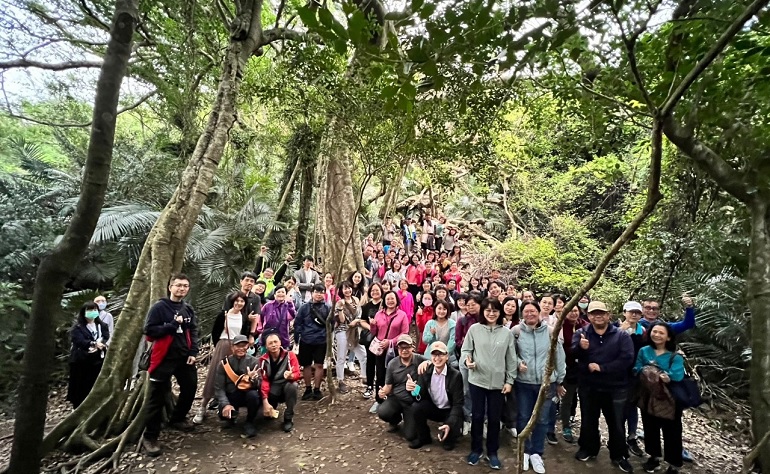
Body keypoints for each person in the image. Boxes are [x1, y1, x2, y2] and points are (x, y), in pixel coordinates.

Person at [572, 301, 635, 472]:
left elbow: (627, 359)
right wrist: (580, 348)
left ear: (608, 315)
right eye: (594, 313)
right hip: (589, 387)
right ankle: (588, 448)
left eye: (601, 313)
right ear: (589, 316)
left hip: (615, 388)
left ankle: (619, 454)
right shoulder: (581, 333)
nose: (598, 316)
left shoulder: (621, 336)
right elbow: (573, 357)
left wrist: (602, 368)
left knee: (617, 422)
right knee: (588, 420)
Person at [141, 274, 199, 457]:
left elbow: (194, 330)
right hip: (163, 359)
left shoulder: (187, 308)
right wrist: (172, 325)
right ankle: (150, 437)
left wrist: (193, 352)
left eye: (185, 286)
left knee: (190, 388)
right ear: (170, 287)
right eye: (179, 285)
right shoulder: (159, 307)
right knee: (155, 399)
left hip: (184, 357)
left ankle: (177, 418)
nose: (182, 289)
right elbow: (149, 330)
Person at [461, 298, 517, 470]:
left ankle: (492, 452)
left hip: (498, 383)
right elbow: (466, 350)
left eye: (495, 310)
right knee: (477, 416)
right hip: (477, 380)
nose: (491, 313)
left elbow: (511, 359)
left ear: (500, 313)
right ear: (482, 312)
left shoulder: (506, 333)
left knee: (494, 418)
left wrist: (509, 381)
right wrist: (467, 361)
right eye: (488, 310)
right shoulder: (474, 330)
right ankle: (475, 450)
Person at [514, 301, 566, 474]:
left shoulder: (551, 332)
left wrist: (559, 379)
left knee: (542, 419)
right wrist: (517, 363)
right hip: (523, 382)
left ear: (539, 312)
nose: (530, 314)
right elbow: (510, 354)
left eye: (533, 311)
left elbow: (559, 356)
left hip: (546, 383)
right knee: (523, 417)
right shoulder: (516, 331)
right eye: (526, 311)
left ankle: (537, 452)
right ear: (522, 314)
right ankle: (525, 452)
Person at [634, 323, 685, 474]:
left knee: (672, 432)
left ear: (668, 337)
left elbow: (677, 375)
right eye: (654, 331)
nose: (656, 335)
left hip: (669, 400)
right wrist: (645, 371)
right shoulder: (644, 351)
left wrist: (665, 376)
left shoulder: (674, 355)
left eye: (661, 333)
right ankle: (653, 458)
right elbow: (636, 368)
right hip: (648, 396)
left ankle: (674, 464)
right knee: (650, 428)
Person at [195, 291, 252, 424]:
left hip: (238, 348)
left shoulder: (244, 317)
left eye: (242, 301)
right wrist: (221, 346)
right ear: (232, 302)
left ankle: (229, 408)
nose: (239, 303)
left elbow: (245, 333)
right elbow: (215, 332)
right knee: (214, 375)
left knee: (234, 376)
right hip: (223, 345)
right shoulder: (224, 315)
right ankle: (203, 406)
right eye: (237, 301)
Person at [408, 341, 463, 450]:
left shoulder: (455, 375)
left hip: (449, 410)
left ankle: (451, 431)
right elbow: (419, 395)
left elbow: (458, 404)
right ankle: (424, 437)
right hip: (434, 408)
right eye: (434, 354)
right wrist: (413, 390)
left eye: (441, 354)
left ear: (447, 356)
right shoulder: (425, 371)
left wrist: (450, 423)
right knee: (416, 407)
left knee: (448, 444)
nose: (437, 358)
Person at [369, 291, 411, 413]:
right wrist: (372, 325)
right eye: (388, 299)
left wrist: (391, 342)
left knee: (396, 375)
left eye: (392, 298)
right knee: (381, 374)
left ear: (396, 300)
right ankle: (379, 400)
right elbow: (374, 332)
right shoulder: (378, 314)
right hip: (381, 350)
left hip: (396, 350)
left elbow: (405, 332)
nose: (390, 301)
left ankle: (395, 401)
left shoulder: (402, 315)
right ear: (384, 300)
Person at [376, 334, 425, 438]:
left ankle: (411, 422)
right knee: (383, 411)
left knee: (411, 436)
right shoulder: (392, 364)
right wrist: (383, 392)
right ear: (398, 349)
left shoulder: (419, 359)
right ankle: (395, 420)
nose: (404, 350)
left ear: (412, 347)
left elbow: (434, 362)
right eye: (401, 348)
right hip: (396, 398)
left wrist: (428, 363)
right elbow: (388, 386)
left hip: (412, 402)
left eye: (407, 347)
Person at [213, 335, 261, 438]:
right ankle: (231, 417)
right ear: (232, 347)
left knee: (254, 396)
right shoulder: (224, 364)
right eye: (238, 346)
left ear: (247, 346)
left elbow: (260, 384)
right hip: (231, 395)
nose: (241, 348)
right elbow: (219, 388)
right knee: (223, 412)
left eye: (244, 345)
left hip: (247, 394)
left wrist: (253, 379)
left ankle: (250, 422)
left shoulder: (254, 362)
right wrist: (225, 404)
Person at [618, 301, 648, 457]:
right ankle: (619, 437)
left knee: (632, 406)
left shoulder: (643, 331)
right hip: (619, 375)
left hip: (636, 375)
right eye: (631, 312)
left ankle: (631, 436)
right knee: (619, 407)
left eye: (637, 312)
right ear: (624, 313)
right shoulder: (616, 330)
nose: (634, 314)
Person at [555, 305, 587, 443]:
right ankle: (566, 426)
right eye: (570, 311)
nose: (573, 313)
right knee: (567, 399)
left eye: (575, 311)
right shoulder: (561, 326)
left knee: (586, 399)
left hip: (583, 368)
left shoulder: (585, 325)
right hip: (567, 367)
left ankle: (588, 428)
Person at [67, 302, 109, 408]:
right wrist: (93, 344)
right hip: (81, 361)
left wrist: (101, 343)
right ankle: (78, 407)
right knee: (80, 386)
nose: (93, 312)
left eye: (95, 310)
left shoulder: (102, 325)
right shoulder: (78, 327)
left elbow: (106, 336)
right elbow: (78, 340)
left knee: (94, 383)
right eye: (89, 310)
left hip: (97, 360)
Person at [259, 332, 301, 432]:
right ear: (266, 346)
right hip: (273, 388)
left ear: (280, 343)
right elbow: (263, 380)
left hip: (286, 384)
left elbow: (297, 373)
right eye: (270, 343)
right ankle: (271, 409)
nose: (273, 345)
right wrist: (265, 399)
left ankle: (288, 417)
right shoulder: (263, 360)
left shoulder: (290, 355)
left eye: (275, 342)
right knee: (263, 417)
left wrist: (292, 376)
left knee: (293, 386)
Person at [294, 284, 329, 401]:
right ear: (312, 293)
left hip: (321, 340)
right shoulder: (304, 308)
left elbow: (331, 324)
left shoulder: (328, 307)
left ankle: (317, 389)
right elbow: (298, 323)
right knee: (306, 365)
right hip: (306, 340)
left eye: (321, 292)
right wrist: (297, 338)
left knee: (319, 364)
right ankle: (308, 388)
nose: (319, 294)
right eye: (317, 292)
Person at [455, 293, 482, 435]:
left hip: (483, 359)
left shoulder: (485, 320)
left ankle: (481, 419)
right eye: (468, 304)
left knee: (481, 389)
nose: (471, 307)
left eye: (474, 304)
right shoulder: (462, 321)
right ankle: (467, 418)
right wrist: (466, 342)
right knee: (466, 389)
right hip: (466, 357)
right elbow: (457, 340)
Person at [333, 281, 367, 393]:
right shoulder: (340, 302)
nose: (347, 290)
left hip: (355, 330)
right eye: (345, 289)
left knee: (362, 354)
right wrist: (341, 309)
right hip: (343, 330)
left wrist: (357, 321)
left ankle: (364, 376)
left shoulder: (356, 300)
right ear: (341, 291)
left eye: (349, 288)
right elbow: (341, 320)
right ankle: (340, 380)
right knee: (342, 356)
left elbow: (359, 313)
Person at [360, 283, 384, 399]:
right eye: (373, 290)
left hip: (383, 337)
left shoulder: (385, 304)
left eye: (377, 290)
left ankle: (381, 388)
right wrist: (371, 327)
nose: (375, 292)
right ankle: (369, 386)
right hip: (370, 338)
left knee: (381, 363)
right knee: (370, 361)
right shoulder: (366, 306)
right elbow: (362, 321)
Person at [257, 285, 296, 350]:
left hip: (282, 337)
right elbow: (260, 317)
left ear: (286, 294)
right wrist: (260, 330)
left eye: (283, 292)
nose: (280, 294)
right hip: (267, 335)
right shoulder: (268, 305)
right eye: (278, 292)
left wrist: (290, 304)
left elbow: (291, 317)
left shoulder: (288, 306)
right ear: (274, 295)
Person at [422, 299, 456, 367]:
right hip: (431, 356)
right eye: (439, 308)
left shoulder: (452, 324)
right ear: (435, 309)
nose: (441, 311)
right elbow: (425, 340)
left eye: (444, 309)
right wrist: (431, 334)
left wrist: (445, 354)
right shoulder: (430, 323)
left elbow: (452, 341)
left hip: (447, 356)